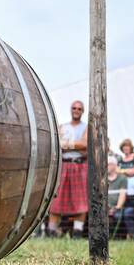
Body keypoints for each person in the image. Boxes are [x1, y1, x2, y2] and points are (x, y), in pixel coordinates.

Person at [49, 101, 89, 237]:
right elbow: (55, 143)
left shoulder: (87, 127)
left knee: (80, 201)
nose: (76, 110)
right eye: (74, 108)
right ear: (70, 110)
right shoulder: (62, 127)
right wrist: (75, 145)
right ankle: (52, 231)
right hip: (63, 165)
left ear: (83, 111)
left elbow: (85, 144)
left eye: (79, 108)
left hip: (79, 165)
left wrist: (65, 145)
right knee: (56, 199)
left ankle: (77, 232)